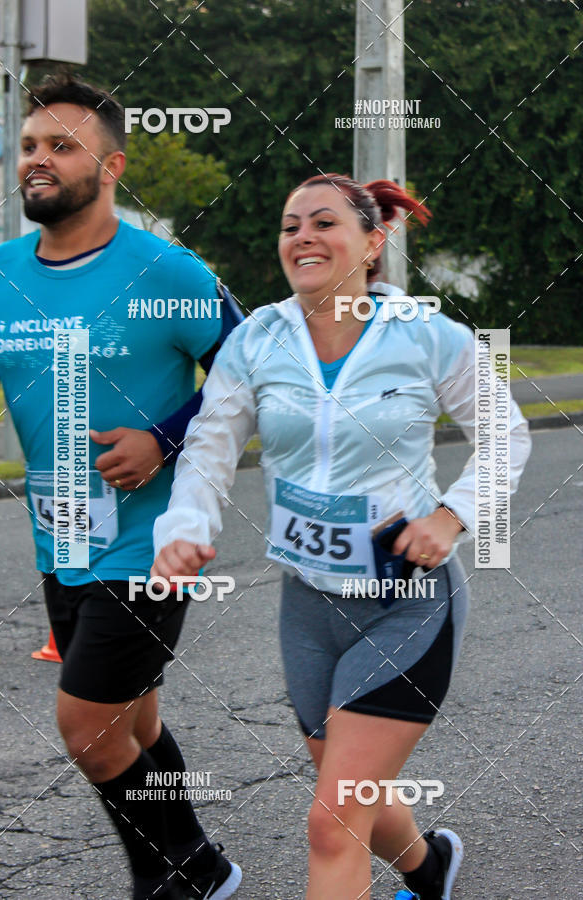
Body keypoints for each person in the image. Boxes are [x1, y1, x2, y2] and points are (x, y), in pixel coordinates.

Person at [152, 172, 532, 899]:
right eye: (291, 225)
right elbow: (208, 447)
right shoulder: (258, 339)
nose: (303, 237)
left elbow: (505, 434)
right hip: (308, 606)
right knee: (352, 789)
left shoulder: (427, 335)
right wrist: (185, 530)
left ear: (373, 241)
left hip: (406, 603)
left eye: (324, 222)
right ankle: (429, 868)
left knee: (333, 822)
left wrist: (450, 516)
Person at [0, 73, 242, 900]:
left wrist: (163, 439)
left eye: (62, 146)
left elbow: (254, 371)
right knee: (135, 722)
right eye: (31, 145)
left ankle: (170, 880)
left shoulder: (165, 270)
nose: (38, 159)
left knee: (86, 730)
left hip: (152, 544)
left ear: (112, 166)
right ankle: (202, 867)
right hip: (60, 540)